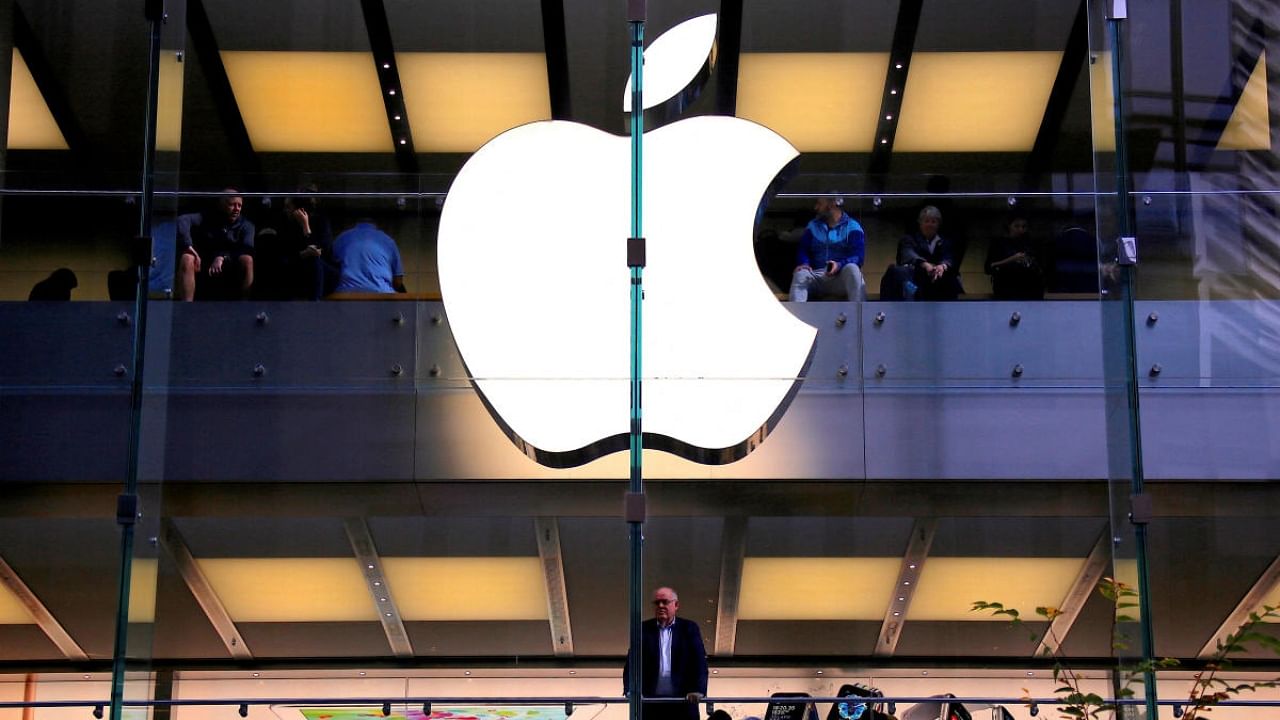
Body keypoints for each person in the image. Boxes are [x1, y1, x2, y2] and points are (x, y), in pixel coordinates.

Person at [623, 587, 708, 720]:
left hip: (683, 702)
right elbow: (632, 662)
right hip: (650, 703)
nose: (661, 606)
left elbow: (699, 661)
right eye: (657, 603)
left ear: (676, 605)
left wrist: (698, 689)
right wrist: (631, 691)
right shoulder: (642, 629)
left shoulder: (689, 628)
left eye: (665, 602)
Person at [174, 189, 255, 301]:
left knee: (247, 259)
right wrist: (188, 246)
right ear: (222, 204)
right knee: (187, 258)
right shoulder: (207, 217)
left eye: (239, 206)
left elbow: (247, 249)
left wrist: (223, 257)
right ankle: (186, 307)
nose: (237, 209)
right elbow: (182, 220)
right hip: (204, 263)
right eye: (232, 205)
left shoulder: (246, 225)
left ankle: (245, 307)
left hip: (232, 264)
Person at [256, 193, 337, 300]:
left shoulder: (320, 221)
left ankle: (315, 304)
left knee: (315, 262)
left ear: (300, 210)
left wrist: (306, 227)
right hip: (297, 264)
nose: (285, 210)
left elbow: (322, 249)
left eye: (288, 207)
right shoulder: (286, 223)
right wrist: (302, 254)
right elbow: (286, 252)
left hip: (319, 268)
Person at [788, 195, 866, 302]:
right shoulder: (812, 225)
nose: (816, 208)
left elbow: (858, 257)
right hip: (817, 277)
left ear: (831, 204)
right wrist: (804, 263)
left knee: (853, 269)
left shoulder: (852, 226)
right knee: (800, 274)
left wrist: (839, 265)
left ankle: (860, 315)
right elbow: (803, 249)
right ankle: (795, 315)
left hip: (840, 277)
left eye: (819, 204)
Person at [879, 206, 963, 301]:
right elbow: (908, 253)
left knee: (951, 281)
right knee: (898, 275)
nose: (930, 225)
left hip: (938, 286)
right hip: (915, 286)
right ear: (920, 223)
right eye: (926, 221)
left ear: (938, 224)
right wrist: (925, 265)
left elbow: (950, 257)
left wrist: (942, 266)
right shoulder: (909, 240)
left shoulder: (945, 242)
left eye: (933, 222)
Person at [331, 220, 406, 295]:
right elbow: (398, 281)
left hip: (346, 294)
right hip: (381, 294)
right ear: (375, 225)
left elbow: (329, 272)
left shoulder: (341, 238)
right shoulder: (388, 240)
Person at [985, 214, 1046, 300]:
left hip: (1030, 289)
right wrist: (1011, 259)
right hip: (1007, 288)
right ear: (1009, 226)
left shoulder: (1031, 244)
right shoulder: (999, 244)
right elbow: (988, 268)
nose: (1020, 230)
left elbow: (1041, 267)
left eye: (1024, 227)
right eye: (1016, 226)